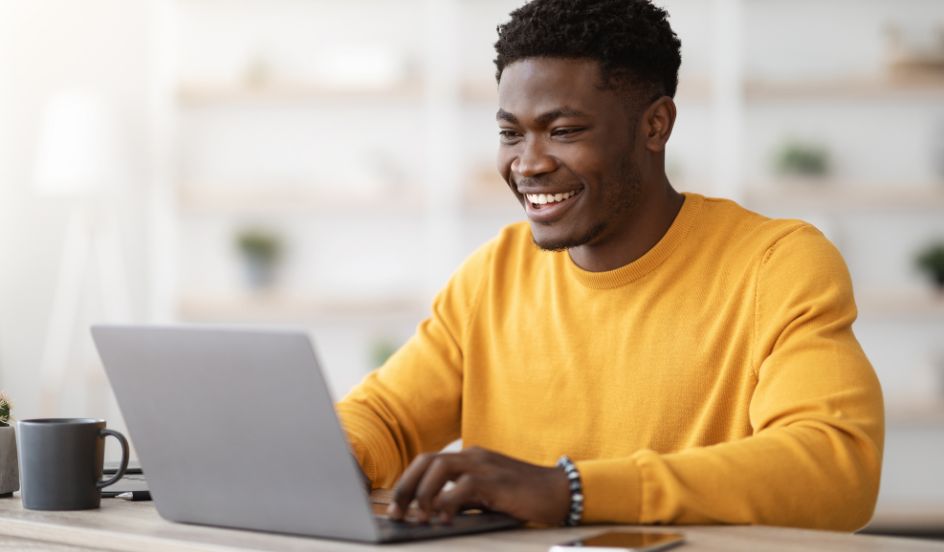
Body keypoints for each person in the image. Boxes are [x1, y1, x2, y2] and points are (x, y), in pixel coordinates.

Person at [337, 0, 883, 531]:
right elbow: (385, 417)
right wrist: (326, 454)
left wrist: (568, 491)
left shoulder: (775, 264)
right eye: (511, 133)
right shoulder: (495, 273)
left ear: (655, 126)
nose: (528, 163)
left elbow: (836, 468)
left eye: (564, 131)